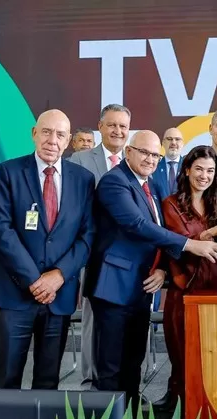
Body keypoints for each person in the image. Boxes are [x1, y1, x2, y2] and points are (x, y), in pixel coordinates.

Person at [85, 130, 217, 410]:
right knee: (111, 368)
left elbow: (158, 236)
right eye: (144, 152)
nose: (150, 159)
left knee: (133, 363)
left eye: (155, 154)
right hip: (113, 286)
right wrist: (190, 244)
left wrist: (162, 269)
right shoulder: (114, 182)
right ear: (128, 152)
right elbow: (138, 226)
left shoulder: (150, 184)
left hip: (140, 287)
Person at [0, 109, 95, 390]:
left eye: (60, 134)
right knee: (8, 376)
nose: (52, 140)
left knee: (48, 380)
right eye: (46, 132)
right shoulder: (9, 172)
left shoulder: (83, 179)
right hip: (14, 293)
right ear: (34, 134)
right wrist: (35, 280)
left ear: (68, 139)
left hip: (58, 297)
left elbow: (87, 235)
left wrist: (58, 276)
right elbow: (2, 229)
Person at [158, 145, 217, 411]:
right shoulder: (171, 204)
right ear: (187, 169)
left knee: (216, 361)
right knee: (184, 360)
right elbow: (177, 243)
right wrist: (209, 234)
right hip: (185, 294)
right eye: (199, 169)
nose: (204, 175)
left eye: (211, 171)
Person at [69, 104, 131, 386]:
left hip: (129, 257)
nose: (118, 131)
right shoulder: (80, 160)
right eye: (112, 125)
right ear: (101, 127)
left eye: (123, 126)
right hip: (93, 252)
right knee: (93, 320)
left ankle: (124, 383)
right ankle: (90, 380)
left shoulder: (135, 160)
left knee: (129, 325)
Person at [151, 127, 184, 200]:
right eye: (169, 139)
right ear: (163, 143)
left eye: (177, 139)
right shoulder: (153, 166)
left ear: (182, 143)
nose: (173, 143)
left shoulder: (188, 167)